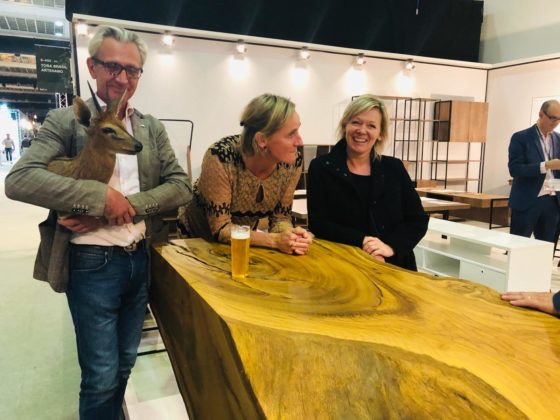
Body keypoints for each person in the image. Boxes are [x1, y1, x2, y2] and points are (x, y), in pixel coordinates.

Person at [5, 25, 191, 420]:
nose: (122, 78)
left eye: (132, 70)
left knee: (125, 365)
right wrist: (97, 198)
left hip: (140, 258)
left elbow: (180, 186)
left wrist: (125, 206)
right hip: (91, 263)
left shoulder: (150, 127)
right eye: (112, 66)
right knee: (101, 376)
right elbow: (20, 180)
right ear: (92, 66)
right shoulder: (66, 120)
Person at [180, 93, 312, 255]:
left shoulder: (292, 162)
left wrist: (291, 237)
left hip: (241, 239)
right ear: (262, 140)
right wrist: (275, 241)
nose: (300, 141)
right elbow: (221, 228)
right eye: (291, 134)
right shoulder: (221, 157)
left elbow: (281, 219)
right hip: (197, 239)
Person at [307, 94, 428, 270]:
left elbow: (417, 220)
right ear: (345, 126)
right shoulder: (321, 167)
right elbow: (319, 224)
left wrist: (390, 247)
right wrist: (363, 241)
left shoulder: (394, 168)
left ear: (380, 134)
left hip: (395, 265)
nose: (362, 130)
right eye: (356, 122)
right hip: (344, 265)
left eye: (371, 125)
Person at [508, 99, 560, 243]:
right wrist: (546, 165)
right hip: (527, 200)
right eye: (553, 118)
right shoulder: (521, 137)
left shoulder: (558, 139)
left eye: (559, 119)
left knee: (546, 247)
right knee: (518, 244)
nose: (556, 123)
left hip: (552, 201)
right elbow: (515, 169)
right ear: (541, 114)